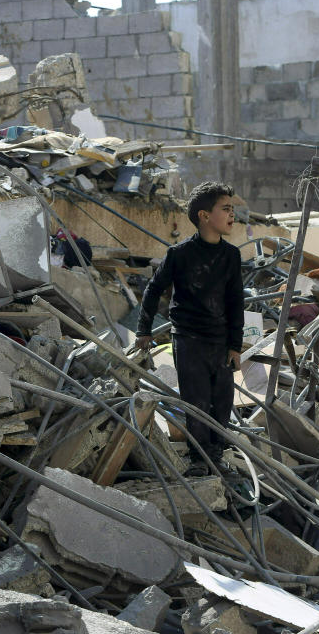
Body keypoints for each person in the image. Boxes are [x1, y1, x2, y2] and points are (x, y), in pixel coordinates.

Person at [135, 181, 244, 472]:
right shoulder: (179, 254)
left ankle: (217, 455)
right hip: (189, 340)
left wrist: (235, 346)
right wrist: (143, 330)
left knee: (222, 402)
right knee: (196, 403)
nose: (232, 215)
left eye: (233, 209)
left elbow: (236, 303)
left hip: (220, 342)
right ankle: (199, 459)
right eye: (226, 209)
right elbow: (152, 290)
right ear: (204, 216)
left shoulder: (231, 256)